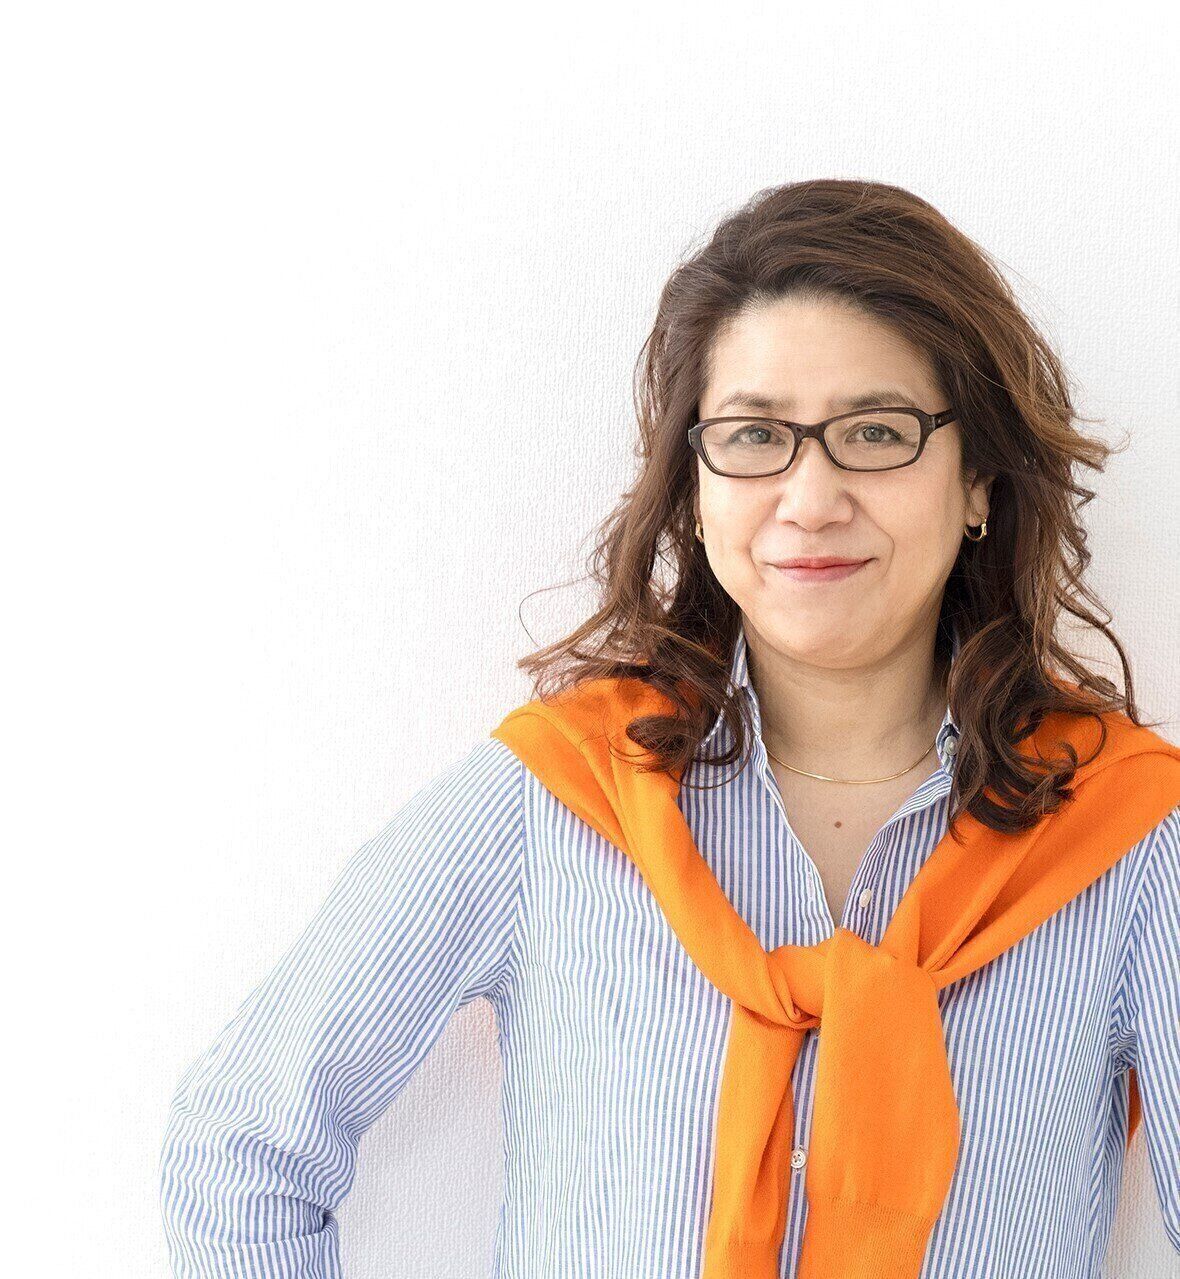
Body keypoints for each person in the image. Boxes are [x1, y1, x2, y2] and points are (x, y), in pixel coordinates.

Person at [159, 179, 1179, 1277]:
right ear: (695, 485)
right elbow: (240, 1146)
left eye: (877, 432)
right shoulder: (556, 799)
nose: (810, 498)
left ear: (976, 479)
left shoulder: (1129, 837)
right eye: (755, 435)